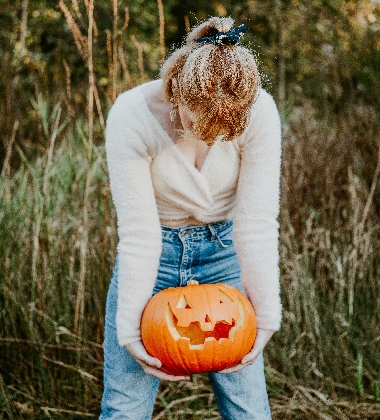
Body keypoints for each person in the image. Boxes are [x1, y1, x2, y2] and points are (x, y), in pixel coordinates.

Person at [99, 16, 282, 420]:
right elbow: (138, 233)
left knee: (249, 408)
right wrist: (129, 329)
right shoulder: (132, 115)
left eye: (223, 134)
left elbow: (255, 223)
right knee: (124, 406)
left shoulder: (260, 112)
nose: (208, 140)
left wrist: (266, 317)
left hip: (226, 255)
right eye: (197, 124)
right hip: (154, 256)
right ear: (176, 88)